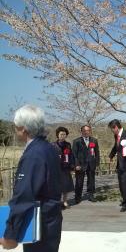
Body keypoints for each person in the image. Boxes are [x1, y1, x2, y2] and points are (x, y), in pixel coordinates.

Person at [0, 105, 62, 252]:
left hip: (39, 224)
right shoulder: (49, 148)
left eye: (16, 127)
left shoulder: (34, 155)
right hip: (51, 220)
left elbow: (24, 195)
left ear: (24, 129)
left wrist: (10, 234)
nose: (16, 131)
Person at [108, 119, 126, 212]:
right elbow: (116, 146)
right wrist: (111, 155)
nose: (112, 131)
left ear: (115, 127)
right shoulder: (116, 136)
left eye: (112, 129)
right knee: (121, 183)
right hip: (120, 163)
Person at [72, 125, 100, 203]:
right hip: (80, 165)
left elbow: (97, 152)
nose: (86, 132)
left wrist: (97, 163)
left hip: (91, 164)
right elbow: (74, 154)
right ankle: (78, 197)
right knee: (79, 181)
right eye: (85, 130)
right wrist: (76, 164)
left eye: (88, 130)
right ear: (82, 131)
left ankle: (91, 195)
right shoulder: (76, 141)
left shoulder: (94, 140)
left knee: (91, 181)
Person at [52, 126, 75, 209]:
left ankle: (65, 202)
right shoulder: (53, 145)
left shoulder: (68, 145)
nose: (62, 136)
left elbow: (71, 156)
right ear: (57, 135)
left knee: (66, 186)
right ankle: (57, 202)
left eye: (64, 134)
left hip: (66, 168)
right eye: (61, 134)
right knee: (57, 186)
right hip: (56, 169)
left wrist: (72, 167)